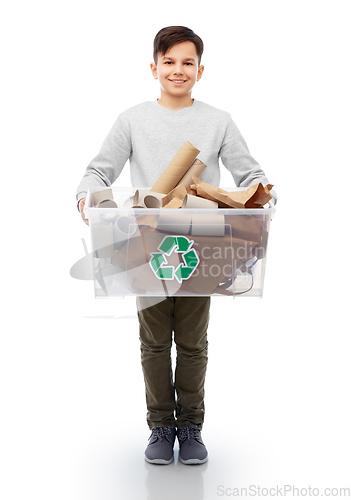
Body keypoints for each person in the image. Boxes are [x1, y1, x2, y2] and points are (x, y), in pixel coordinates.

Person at [76, 26, 276, 465]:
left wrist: (263, 198)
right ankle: (161, 426)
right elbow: (99, 171)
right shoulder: (132, 119)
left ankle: (192, 425)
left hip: (200, 244)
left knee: (191, 341)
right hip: (144, 243)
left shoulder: (218, 120)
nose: (178, 70)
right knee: (152, 342)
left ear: (200, 70)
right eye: (169, 62)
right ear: (154, 68)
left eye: (187, 62)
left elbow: (248, 174)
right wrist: (85, 195)